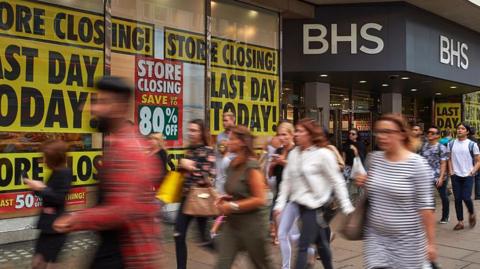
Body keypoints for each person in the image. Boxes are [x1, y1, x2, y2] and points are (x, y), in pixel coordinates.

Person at [53, 76, 162, 268]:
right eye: (95, 101)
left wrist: (75, 218)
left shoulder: (128, 149)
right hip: (115, 248)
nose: (93, 109)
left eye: (102, 102)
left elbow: (121, 211)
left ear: (120, 107)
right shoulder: (118, 143)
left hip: (126, 254)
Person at [356, 114, 437, 269]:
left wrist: (431, 243)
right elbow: (376, 190)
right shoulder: (373, 159)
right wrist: (364, 182)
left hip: (408, 242)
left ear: (401, 134)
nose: (381, 136)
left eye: (387, 131)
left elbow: (426, 208)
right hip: (375, 238)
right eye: (378, 131)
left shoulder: (417, 164)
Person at [275, 119, 354, 269]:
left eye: (299, 131)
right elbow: (287, 180)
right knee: (322, 244)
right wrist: (279, 203)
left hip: (315, 207)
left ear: (310, 134)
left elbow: (337, 181)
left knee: (303, 245)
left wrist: (347, 206)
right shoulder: (294, 154)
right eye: (296, 131)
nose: (296, 134)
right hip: (299, 205)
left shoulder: (323, 154)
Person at [215, 125, 273, 269]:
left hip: (252, 226)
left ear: (241, 143)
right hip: (232, 225)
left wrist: (232, 206)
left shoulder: (251, 166)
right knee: (222, 265)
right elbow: (237, 192)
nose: (227, 142)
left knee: (261, 265)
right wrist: (226, 199)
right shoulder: (231, 165)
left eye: (231, 139)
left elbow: (260, 199)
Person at [175, 119, 216, 269]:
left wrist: (191, 167)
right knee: (178, 235)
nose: (190, 133)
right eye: (189, 130)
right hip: (186, 199)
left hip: (200, 199)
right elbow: (183, 172)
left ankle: (226, 254)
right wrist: (181, 166)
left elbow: (210, 176)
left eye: (194, 130)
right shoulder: (190, 150)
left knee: (204, 240)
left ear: (201, 132)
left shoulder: (208, 151)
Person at [25, 140, 72, 269]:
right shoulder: (55, 172)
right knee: (39, 260)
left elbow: (58, 198)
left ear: (53, 158)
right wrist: (35, 188)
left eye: (45, 157)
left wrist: (42, 188)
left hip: (56, 227)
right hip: (48, 226)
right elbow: (48, 197)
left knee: (46, 262)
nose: (43, 160)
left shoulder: (65, 173)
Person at [447, 123, 480, 230]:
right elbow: (449, 158)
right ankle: (460, 222)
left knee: (466, 197)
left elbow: (478, 161)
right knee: (457, 199)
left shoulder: (472, 144)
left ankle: (471, 213)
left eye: (462, 128)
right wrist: (451, 171)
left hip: (468, 175)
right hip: (455, 175)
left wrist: (472, 172)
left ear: (467, 132)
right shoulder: (451, 144)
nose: (459, 130)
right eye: (458, 128)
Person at [268, 122, 295, 245]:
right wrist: (273, 165)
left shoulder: (297, 150)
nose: (281, 138)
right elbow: (271, 174)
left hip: (294, 191)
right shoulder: (278, 150)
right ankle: (279, 235)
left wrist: (283, 162)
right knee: (276, 213)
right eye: (279, 135)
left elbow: (299, 170)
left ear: (291, 134)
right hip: (280, 189)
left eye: (284, 134)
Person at [419, 126, 449, 223]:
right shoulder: (423, 146)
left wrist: (441, 177)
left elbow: (443, 163)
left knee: (443, 196)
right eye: (428, 132)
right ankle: (430, 216)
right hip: (426, 176)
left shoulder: (442, 147)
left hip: (439, 176)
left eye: (432, 133)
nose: (429, 134)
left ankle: (445, 216)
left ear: (438, 136)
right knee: (428, 197)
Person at [215, 111, 236, 194]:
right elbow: (221, 151)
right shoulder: (220, 136)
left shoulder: (237, 135)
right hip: (220, 176)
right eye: (223, 120)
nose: (224, 123)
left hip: (232, 174)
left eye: (226, 120)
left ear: (233, 120)